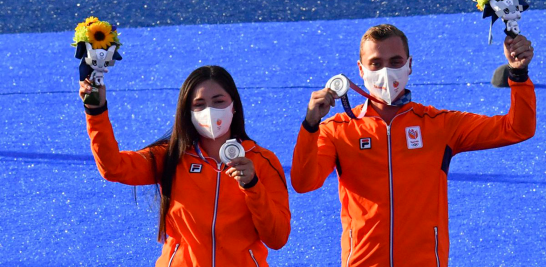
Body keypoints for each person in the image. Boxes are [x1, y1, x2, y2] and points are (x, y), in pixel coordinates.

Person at [291, 24, 535, 266]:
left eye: (395, 61)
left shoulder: (439, 126)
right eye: (376, 63)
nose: (385, 71)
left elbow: (516, 129)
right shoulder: (337, 129)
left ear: (409, 65)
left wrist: (518, 75)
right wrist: (310, 125)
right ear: (361, 70)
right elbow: (303, 183)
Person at [79, 65, 291, 266]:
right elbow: (113, 167)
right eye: (199, 104)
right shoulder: (171, 155)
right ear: (187, 112)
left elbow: (277, 238)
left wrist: (253, 186)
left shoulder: (263, 161)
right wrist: (96, 112)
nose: (210, 111)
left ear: (234, 106)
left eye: (218, 101)